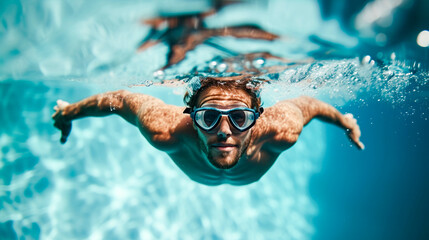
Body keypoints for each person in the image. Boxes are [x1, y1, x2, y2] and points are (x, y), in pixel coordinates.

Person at [52, 76, 364, 186]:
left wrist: (345, 122)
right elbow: (120, 100)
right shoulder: (166, 129)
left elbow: (310, 104)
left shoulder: (281, 129)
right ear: (191, 116)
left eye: (240, 118)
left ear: (258, 117)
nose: (224, 131)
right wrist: (67, 112)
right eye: (209, 117)